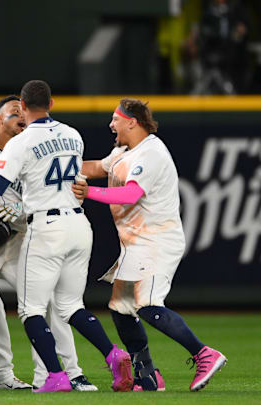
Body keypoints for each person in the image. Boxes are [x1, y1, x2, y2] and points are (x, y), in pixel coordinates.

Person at [0, 80, 134, 393]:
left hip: (45, 227)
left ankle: (55, 377)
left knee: (31, 309)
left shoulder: (20, 143)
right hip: (79, 226)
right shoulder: (73, 134)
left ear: (23, 108)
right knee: (69, 306)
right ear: (51, 104)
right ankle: (113, 353)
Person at [72, 98, 227, 392]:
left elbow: (130, 195)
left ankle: (204, 353)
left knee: (147, 305)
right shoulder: (122, 152)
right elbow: (95, 167)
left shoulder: (152, 153)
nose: (111, 125)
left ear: (132, 121)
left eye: (115, 119)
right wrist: (57, 166)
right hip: (134, 244)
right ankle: (147, 377)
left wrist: (88, 191)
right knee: (120, 309)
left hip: (156, 241)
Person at [0, 95, 96, 390]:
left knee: (50, 304)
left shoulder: (33, 147)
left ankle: (68, 372)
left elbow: (59, 191)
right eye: (13, 112)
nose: (21, 116)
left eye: (22, 110)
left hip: (22, 240)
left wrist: (26, 209)